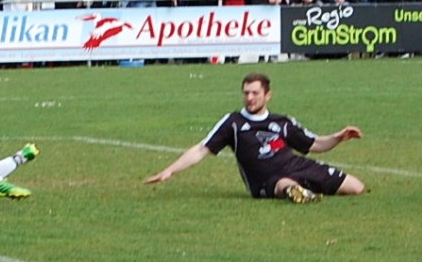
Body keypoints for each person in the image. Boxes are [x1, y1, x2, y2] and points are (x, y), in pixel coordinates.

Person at [144, 73, 365, 203]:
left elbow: (315, 144)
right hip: (265, 180)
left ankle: (307, 189)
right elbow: (202, 149)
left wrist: (338, 137)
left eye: (255, 93)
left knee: (356, 187)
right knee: (284, 185)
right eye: (246, 93)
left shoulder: (282, 122)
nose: (249, 98)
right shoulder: (233, 123)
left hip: (296, 165)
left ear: (267, 95)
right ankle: (297, 191)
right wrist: (170, 170)